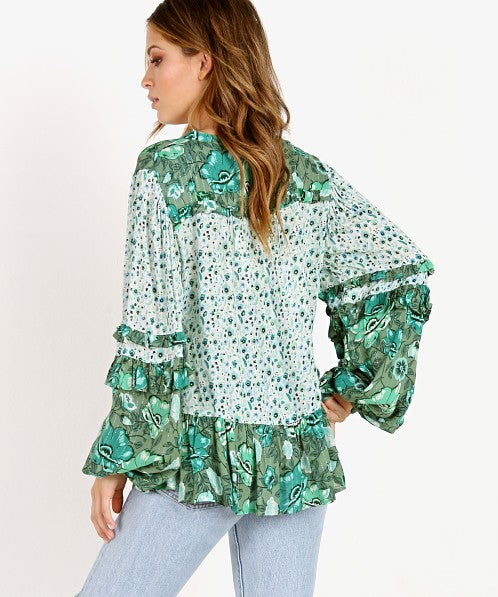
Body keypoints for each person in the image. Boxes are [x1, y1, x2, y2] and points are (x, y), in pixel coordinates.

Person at [75, 1, 435, 595]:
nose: (145, 79)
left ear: (205, 62)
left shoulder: (166, 173)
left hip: (200, 455)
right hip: (297, 454)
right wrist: (349, 388)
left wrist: (120, 456)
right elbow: (399, 276)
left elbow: (151, 334)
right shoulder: (305, 176)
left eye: (157, 59)